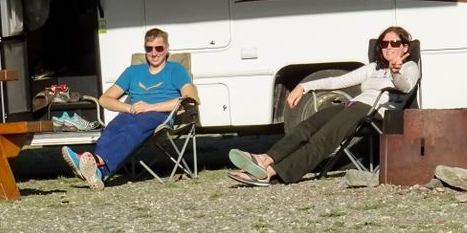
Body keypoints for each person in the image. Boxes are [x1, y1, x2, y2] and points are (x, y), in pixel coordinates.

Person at [228, 26, 419, 186]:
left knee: (323, 137)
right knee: (307, 126)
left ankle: (272, 173)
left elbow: (406, 86)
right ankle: (264, 159)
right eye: (384, 43)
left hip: (376, 112)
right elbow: (337, 81)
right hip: (354, 106)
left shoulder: (409, 67)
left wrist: (396, 73)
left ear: (404, 47)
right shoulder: (374, 68)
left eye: (394, 43)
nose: (388, 47)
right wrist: (304, 86)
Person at [61, 28, 199, 189]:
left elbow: (192, 98)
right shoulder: (133, 72)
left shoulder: (175, 69)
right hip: (134, 112)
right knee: (110, 132)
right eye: (149, 49)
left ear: (167, 48)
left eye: (159, 48)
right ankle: (99, 174)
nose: (154, 53)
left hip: (160, 115)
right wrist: (128, 108)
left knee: (133, 129)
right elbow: (104, 99)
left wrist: (149, 107)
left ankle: (93, 161)